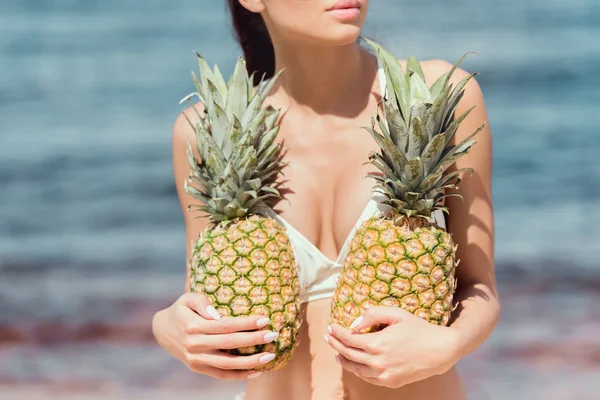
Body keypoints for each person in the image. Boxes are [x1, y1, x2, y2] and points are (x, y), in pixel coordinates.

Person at [152, 1, 500, 399]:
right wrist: (166, 326)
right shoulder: (207, 132)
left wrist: (449, 346)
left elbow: (480, 287)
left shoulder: (436, 98)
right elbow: (199, 302)